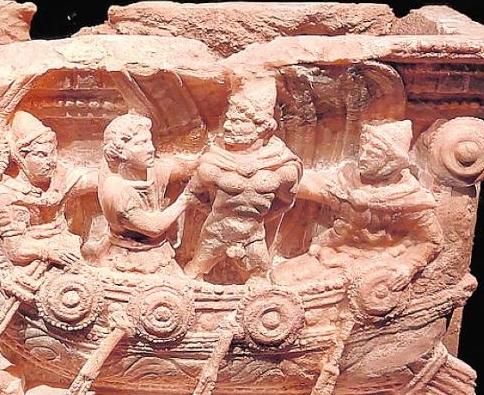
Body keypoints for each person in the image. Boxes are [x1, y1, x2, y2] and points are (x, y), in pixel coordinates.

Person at [271, 119, 442, 288]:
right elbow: (314, 184)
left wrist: (408, 266)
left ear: (393, 162)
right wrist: (279, 174)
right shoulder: (347, 180)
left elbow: (431, 241)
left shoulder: (411, 200)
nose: (363, 157)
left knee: (297, 289)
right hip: (334, 252)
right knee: (281, 276)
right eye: (362, 149)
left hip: (378, 264)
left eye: (373, 155)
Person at [184, 80, 302, 285]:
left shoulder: (281, 164)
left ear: (261, 127)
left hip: (254, 235)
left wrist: (258, 217)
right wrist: (219, 213)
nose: (228, 126)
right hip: (216, 232)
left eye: (238, 122)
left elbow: (286, 202)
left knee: (260, 278)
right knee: (193, 273)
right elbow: (193, 195)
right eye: (229, 120)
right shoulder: (214, 160)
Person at [0, 111, 96, 276]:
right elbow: (15, 249)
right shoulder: (7, 196)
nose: (51, 162)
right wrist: (48, 252)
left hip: (69, 251)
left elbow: (93, 179)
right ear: (21, 158)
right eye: (41, 155)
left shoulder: (59, 178)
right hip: (36, 266)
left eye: (53, 153)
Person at [93, 112, 198, 275]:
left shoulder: (149, 169)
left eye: (149, 141)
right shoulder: (116, 190)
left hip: (159, 250)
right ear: (120, 151)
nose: (151, 149)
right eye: (140, 144)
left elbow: (184, 167)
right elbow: (153, 227)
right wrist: (185, 200)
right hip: (131, 258)